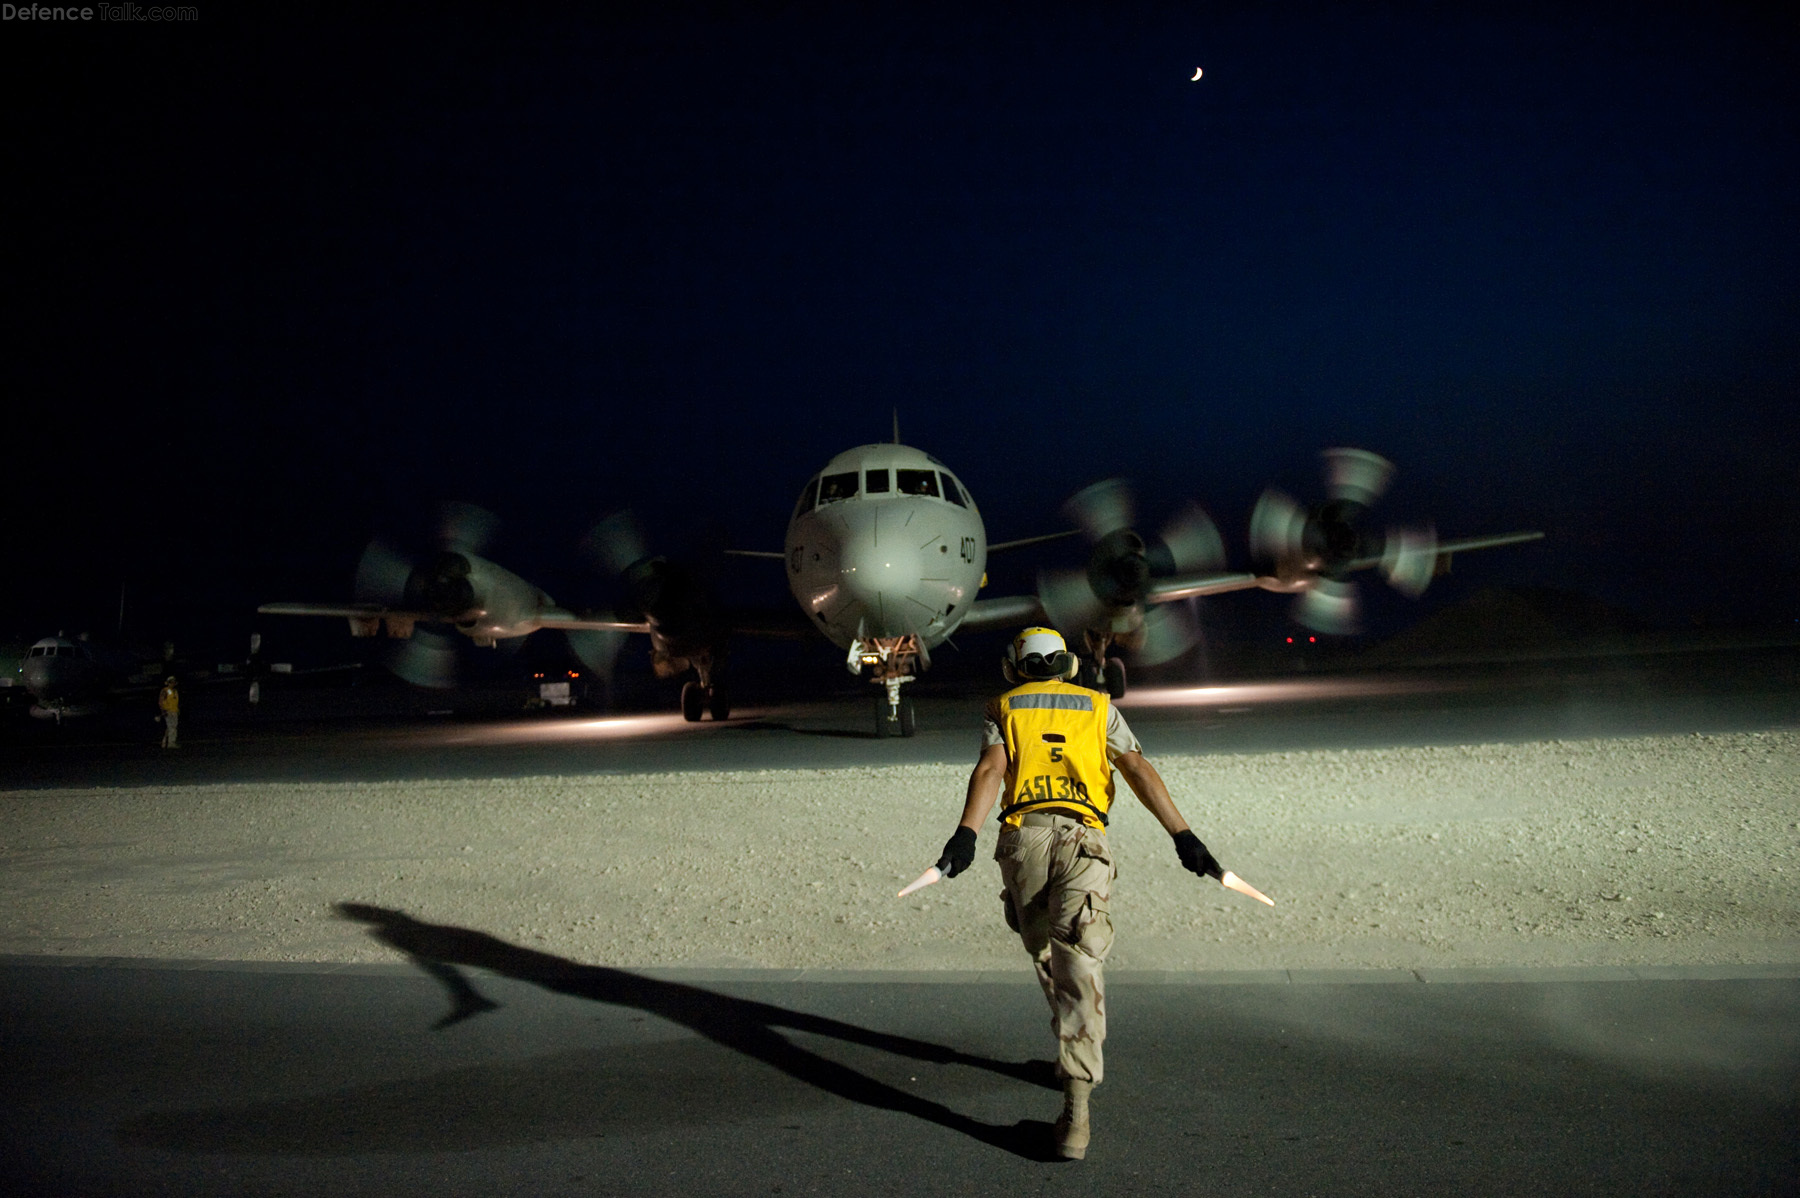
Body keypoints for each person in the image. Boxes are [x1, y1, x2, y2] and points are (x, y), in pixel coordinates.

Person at [927, 626, 1224, 1160]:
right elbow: (1136, 767)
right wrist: (1184, 836)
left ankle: (1073, 1070)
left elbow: (991, 769)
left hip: (1024, 844)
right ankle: (1076, 1111)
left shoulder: (1003, 707)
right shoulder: (1097, 706)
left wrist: (965, 835)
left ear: (1014, 666)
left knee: (1046, 951)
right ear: (1066, 664)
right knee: (1080, 962)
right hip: (1084, 843)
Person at [157, 675, 180, 749]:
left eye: (173, 682)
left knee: (171, 727)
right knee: (171, 727)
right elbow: (161, 701)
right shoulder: (165, 690)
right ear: (168, 683)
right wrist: (163, 710)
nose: (172, 684)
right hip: (168, 711)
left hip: (174, 711)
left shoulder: (175, 691)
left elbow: (175, 702)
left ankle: (164, 742)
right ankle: (171, 743)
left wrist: (177, 710)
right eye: (171, 682)